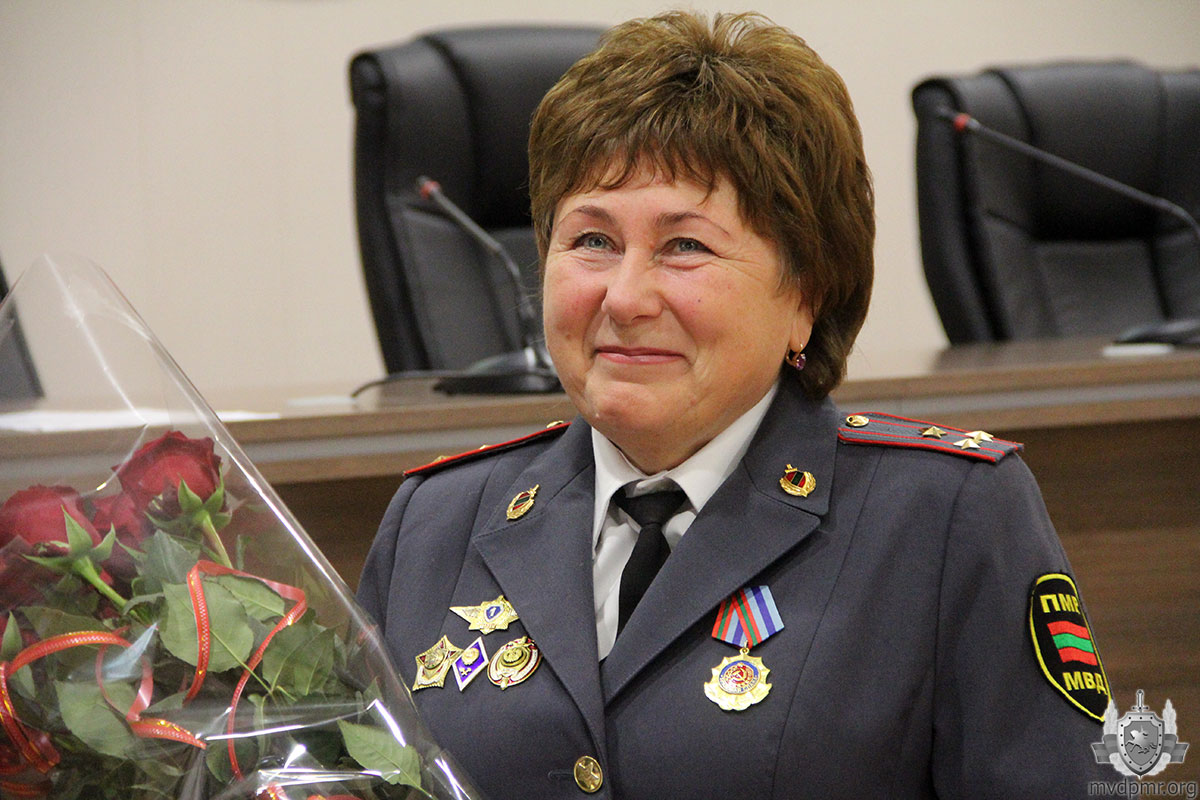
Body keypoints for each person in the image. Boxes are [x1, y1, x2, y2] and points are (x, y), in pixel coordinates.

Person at [358, 11, 1110, 798]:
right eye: (592, 241)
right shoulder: (435, 523)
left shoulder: (945, 517)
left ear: (806, 294)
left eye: (685, 246)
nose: (625, 297)